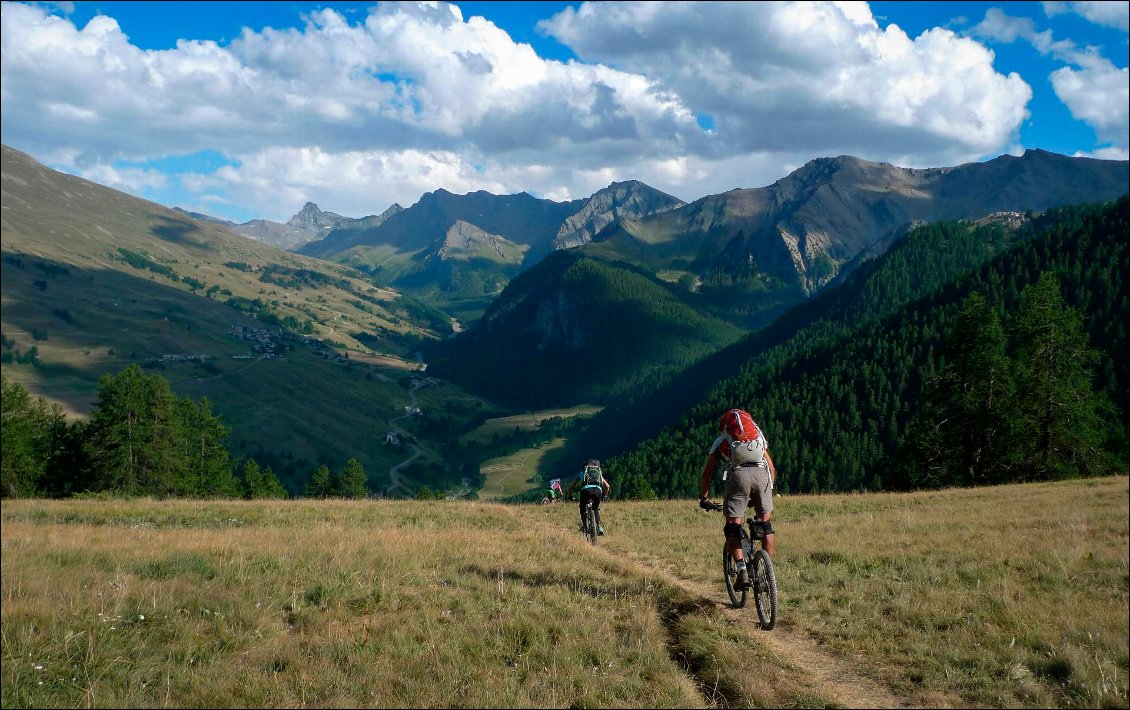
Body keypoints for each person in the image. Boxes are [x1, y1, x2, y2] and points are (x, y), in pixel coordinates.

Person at [699, 408, 777, 589]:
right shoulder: (757, 439)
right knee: (766, 526)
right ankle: (766, 573)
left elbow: (706, 474)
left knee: (732, 527)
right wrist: (766, 491)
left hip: (738, 476)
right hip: (762, 476)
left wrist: (704, 497)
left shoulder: (722, 442)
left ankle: (742, 569)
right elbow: (771, 468)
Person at [567, 458, 611, 535]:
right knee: (595, 509)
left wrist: (570, 496)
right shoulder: (599, 474)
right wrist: (604, 495)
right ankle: (599, 527)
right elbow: (607, 486)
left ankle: (584, 526)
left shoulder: (582, 473)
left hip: (586, 491)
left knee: (582, 507)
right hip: (598, 491)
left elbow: (571, 486)